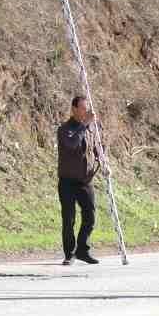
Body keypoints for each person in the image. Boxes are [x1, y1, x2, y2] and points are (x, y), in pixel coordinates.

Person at [56, 95, 102, 266]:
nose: (86, 111)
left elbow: (97, 148)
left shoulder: (92, 129)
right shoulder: (65, 129)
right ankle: (70, 253)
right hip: (67, 181)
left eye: (87, 108)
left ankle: (83, 249)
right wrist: (84, 125)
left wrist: (103, 163)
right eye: (83, 108)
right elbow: (72, 145)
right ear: (74, 109)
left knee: (90, 216)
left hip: (85, 180)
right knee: (69, 218)